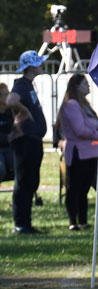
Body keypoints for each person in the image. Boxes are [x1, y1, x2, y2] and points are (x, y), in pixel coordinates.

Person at [8, 50, 47, 234]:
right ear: (31, 66)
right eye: (39, 63)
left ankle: (26, 222)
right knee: (23, 182)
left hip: (33, 140)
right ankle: (20, 223)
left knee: (30, 182)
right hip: (25, 141)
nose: (42, 65)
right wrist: (24, 110)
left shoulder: (28, 85)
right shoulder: (21, 85)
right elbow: (11, 99)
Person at [58, 74, 98, 231]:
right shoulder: (72, 105)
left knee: (85, 188)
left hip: (91, 152)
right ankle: (72, 221)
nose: (88, 86)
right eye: (84, 84)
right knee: (74, 187)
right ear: (76, 86)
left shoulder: (84, 105)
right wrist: (96, 133)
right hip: (78, 153)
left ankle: (83, 220)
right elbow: (80, 130)